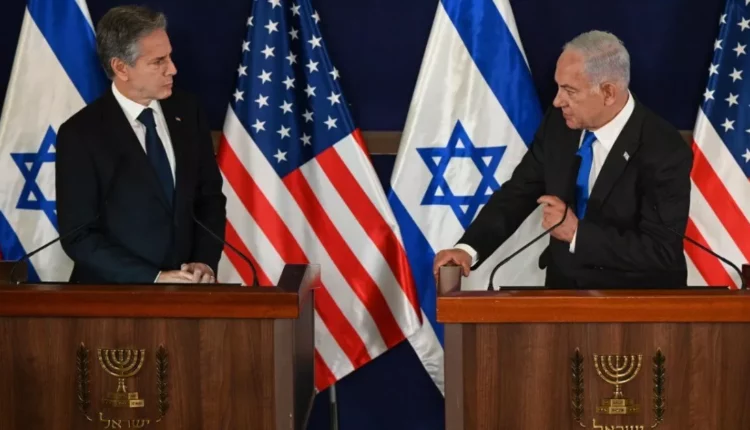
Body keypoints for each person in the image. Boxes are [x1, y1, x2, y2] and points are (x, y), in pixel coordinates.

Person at [433, 30, 693, 289]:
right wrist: (468, 249)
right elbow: (518, 192)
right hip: (562, 295)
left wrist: (577, 234)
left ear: (608, 93)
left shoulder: (663, 148)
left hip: (635, 301)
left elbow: (662, 250)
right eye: (558, 87)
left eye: (570, 91)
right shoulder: (559, 125)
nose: (558, 101)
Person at [56, 5, 226, 284]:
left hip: (187, 291)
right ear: (121, 68)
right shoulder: (80, 134)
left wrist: (204, 260)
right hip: (112, 297)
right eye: (158, 61)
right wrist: (154, 278)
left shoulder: (187, 111)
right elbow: (78, 235)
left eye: (169, 56)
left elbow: (209, 197)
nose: (173, 69)